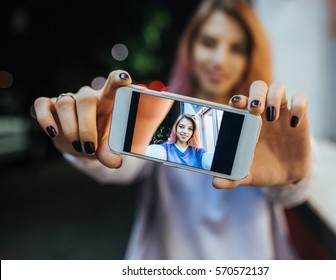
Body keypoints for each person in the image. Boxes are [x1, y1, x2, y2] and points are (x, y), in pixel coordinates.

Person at [33, 0, 315, 259]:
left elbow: (293, 186)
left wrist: (293, 178)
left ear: (252, 57)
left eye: (237, 48)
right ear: (189, 47)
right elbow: (120, 164)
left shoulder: (266, 122)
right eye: (208, 42)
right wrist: (88, 145)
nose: (219, 59)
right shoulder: (159, 113)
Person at [145, 114, 213, 170]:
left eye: (190, 129)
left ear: (193, 132)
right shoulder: (165, 149)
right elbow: (154, 153)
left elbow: (208, 158)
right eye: (181, 127)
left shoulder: (199, 152)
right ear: (176, 128)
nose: (185, 131)